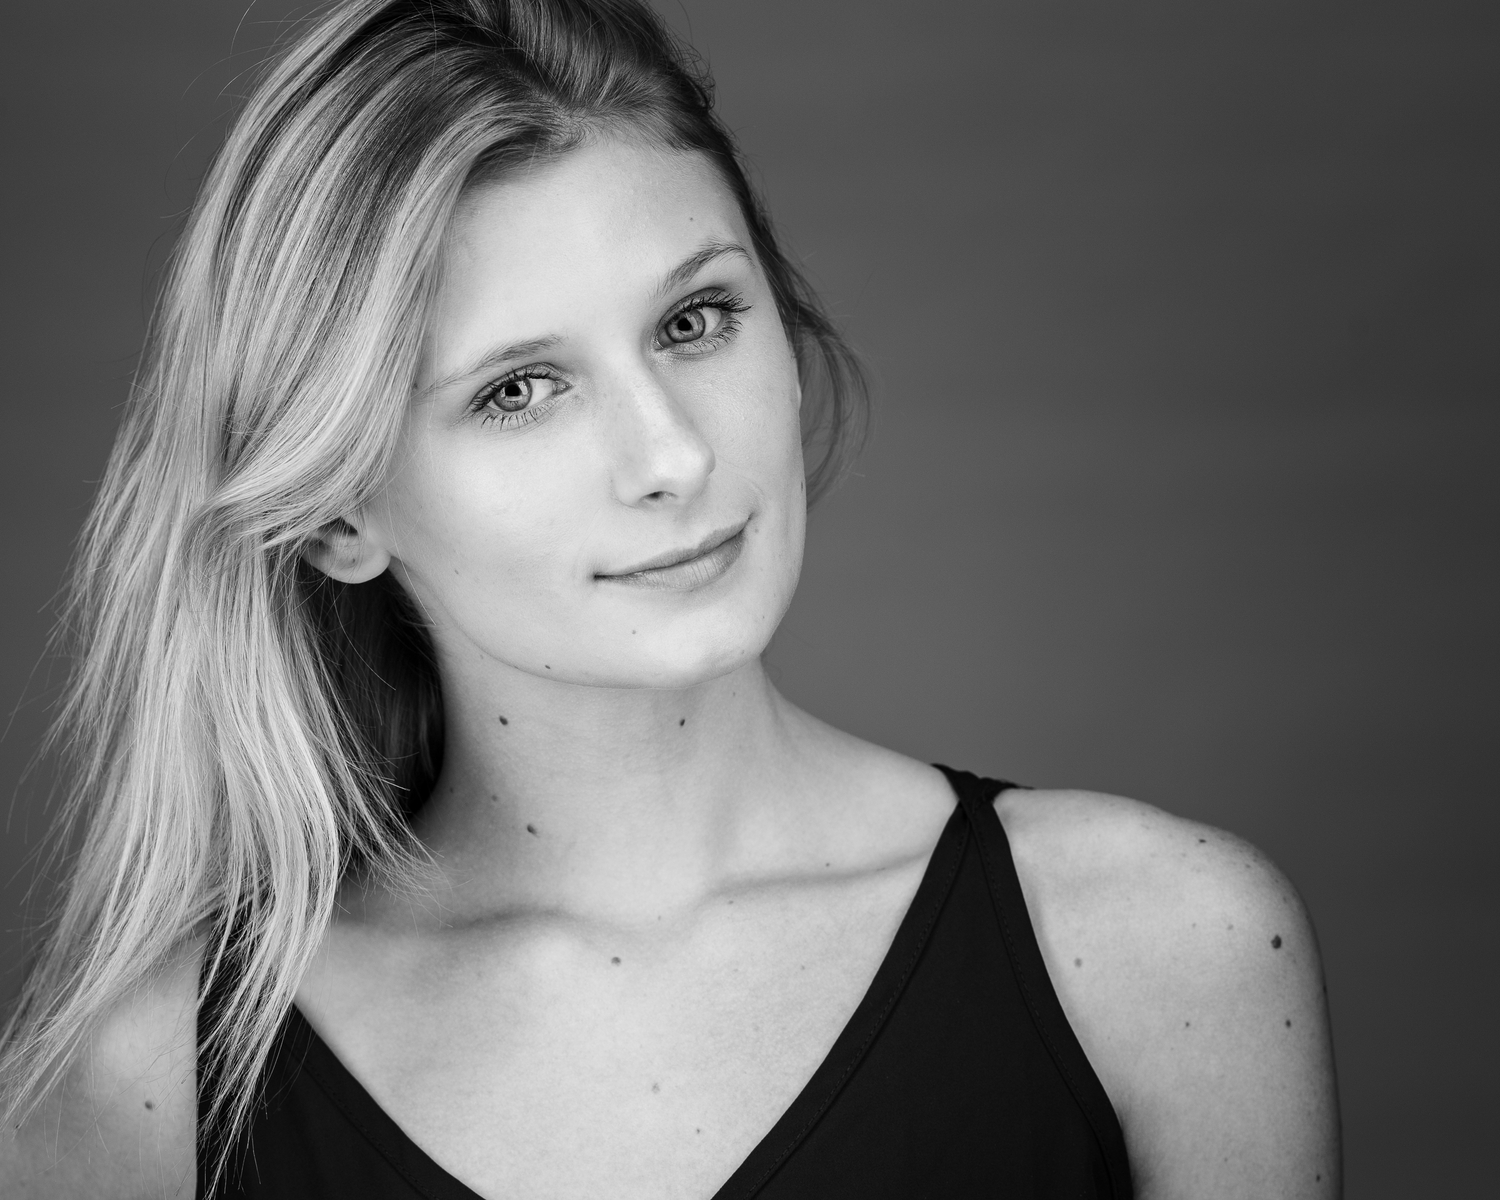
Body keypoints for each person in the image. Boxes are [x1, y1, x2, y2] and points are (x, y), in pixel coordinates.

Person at [0, 1, 1340, 1196]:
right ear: (339, 513)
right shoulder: (142, 1096)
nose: (672, 457)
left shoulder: (1161, 952)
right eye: (518, 391)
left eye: (694, 321)